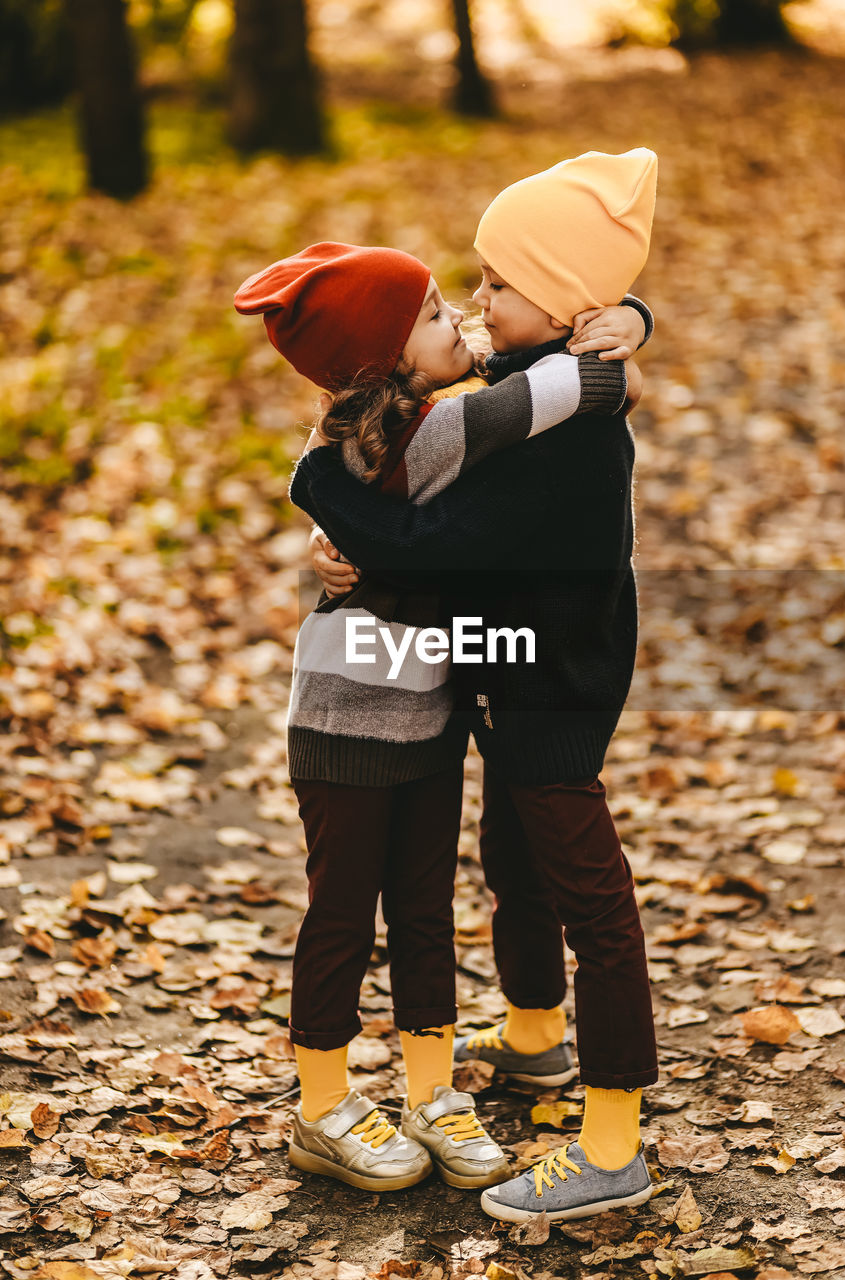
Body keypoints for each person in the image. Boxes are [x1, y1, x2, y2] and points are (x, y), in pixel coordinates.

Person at [289, 149, 660, 1222]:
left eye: (498, 281)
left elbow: (434, 547)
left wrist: (327, 500)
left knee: (590, 897)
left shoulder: (572, 439)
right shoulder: (524, 386)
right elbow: (434, 438)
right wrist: (626, 314)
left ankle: (611, 1140)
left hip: (552, 688)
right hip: (505, 667)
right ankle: (537, 1039)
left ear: (559, 296)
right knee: (511, 860)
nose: (482, 297)